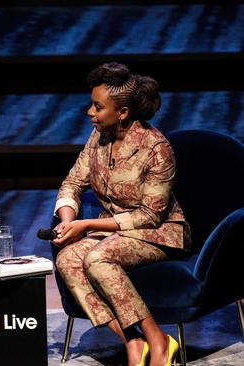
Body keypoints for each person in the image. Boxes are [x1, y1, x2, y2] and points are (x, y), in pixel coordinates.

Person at [52, 62, 191, 366]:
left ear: (123, 113)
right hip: (115, 231)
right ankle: (132, 342)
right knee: (68, 259)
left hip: (159, 232)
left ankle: (158, 341)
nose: (90, 112)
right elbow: (73, 182)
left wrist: (87, 223)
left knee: (97, 258)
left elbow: (149, 216)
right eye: (92, 104)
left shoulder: (157, 148)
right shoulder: (98, 139)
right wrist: (67, 222)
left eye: (98, 107)